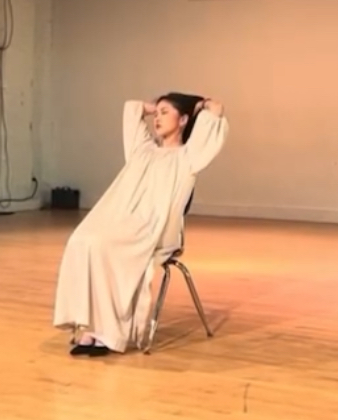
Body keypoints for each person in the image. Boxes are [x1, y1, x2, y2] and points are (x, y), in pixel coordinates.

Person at [52, 93, 229, 357]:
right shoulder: (142, 150)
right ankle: (90, 326)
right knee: (82, 239)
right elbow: (131, 108)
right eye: (156, 113)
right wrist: (157, 106)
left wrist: (198, 105)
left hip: (156, 229)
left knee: (104, 245)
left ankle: (109, 333)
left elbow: (217, 110)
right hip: (125, 223)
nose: (157, 117)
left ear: (183, 120)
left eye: (165, 113)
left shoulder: (189, 156)